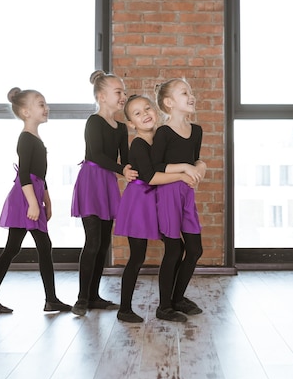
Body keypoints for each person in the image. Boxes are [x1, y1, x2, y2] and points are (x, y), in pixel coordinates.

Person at [0, 87, 71, 314]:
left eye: (45, 103)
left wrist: (47, 201)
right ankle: (50, 299)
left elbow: (40, 175)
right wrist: (32, 203)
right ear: (25, 112)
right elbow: (24, 175)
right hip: (24, 197)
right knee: (37, 246)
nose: (46, 107)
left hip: (32, 194)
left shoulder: (35, 138)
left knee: (14, 248)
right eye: (40, 104)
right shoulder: (26, 139)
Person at [114, 95, 200, 323]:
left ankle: (171, 301)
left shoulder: (162, 138)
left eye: (147, 108)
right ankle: (124, 308)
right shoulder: (139, 144)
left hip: (157, 199)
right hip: (139, 203)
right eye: (137, 113)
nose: (145, 114)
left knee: (176, 247)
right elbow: (151, 177)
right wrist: (182, 173)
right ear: (131, 124)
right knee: (138, 255)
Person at [70, 70, 138, 316]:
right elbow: (97, 155)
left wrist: (135, 167)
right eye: (118, 92)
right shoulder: (94, 122)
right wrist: (122, 169)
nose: (123, 96)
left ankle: (94, 296)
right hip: (92, 181)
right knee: (93, 241)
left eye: (124, 92)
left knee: (104, 244)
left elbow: (127, 159)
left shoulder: (121, 128)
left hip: (108, 183)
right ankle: (81, 298)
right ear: (101, 96)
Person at [151, 78, 207, 322]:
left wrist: (199, 168)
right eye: (185, 92)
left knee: (195, 249)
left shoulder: (196, 131)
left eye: (191, 92)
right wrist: (184, 168)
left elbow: (196, 160)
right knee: (174, 250)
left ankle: (178, 298)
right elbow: (155, 167)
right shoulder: (163, 133)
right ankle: (164, 307)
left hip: (186, 195)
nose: (191, 96)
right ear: (169, 103)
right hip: (166, 195)